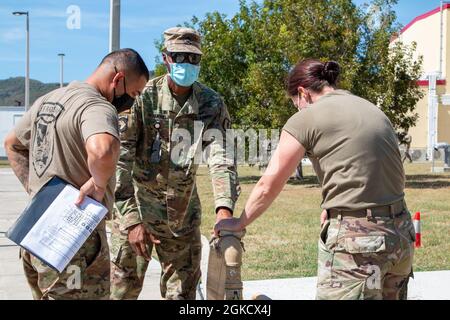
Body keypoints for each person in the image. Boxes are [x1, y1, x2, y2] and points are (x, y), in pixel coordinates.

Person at [215, 59, 416, 300]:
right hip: (401, 236)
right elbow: (382, 170)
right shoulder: (371, 108)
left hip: (359, 246)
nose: (296, 110)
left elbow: (269, 184)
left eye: (294, 104)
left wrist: (239, 223)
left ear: (302, 93)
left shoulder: (306, 118)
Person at [3, 48, 149, 299]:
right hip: (74, 241)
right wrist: (99, 184)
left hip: (38, 234)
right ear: (117, 79)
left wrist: (36, 190)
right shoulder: (97, 106)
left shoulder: (49, 100)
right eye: (133, 93)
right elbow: (103, 150)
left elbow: (12, 144)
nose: (131, 102)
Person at [110, 27, 241, 300]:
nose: (186, 64)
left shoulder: (211, 104)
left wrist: (224, 210)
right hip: (137, 213)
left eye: (193, 59)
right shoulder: (141, 97)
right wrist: (132, 221)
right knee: (120, 292)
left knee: (182, 297)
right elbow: (120, 161)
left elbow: (222, 159)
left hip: (182, 221)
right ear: (166, 58)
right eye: (179, 57)